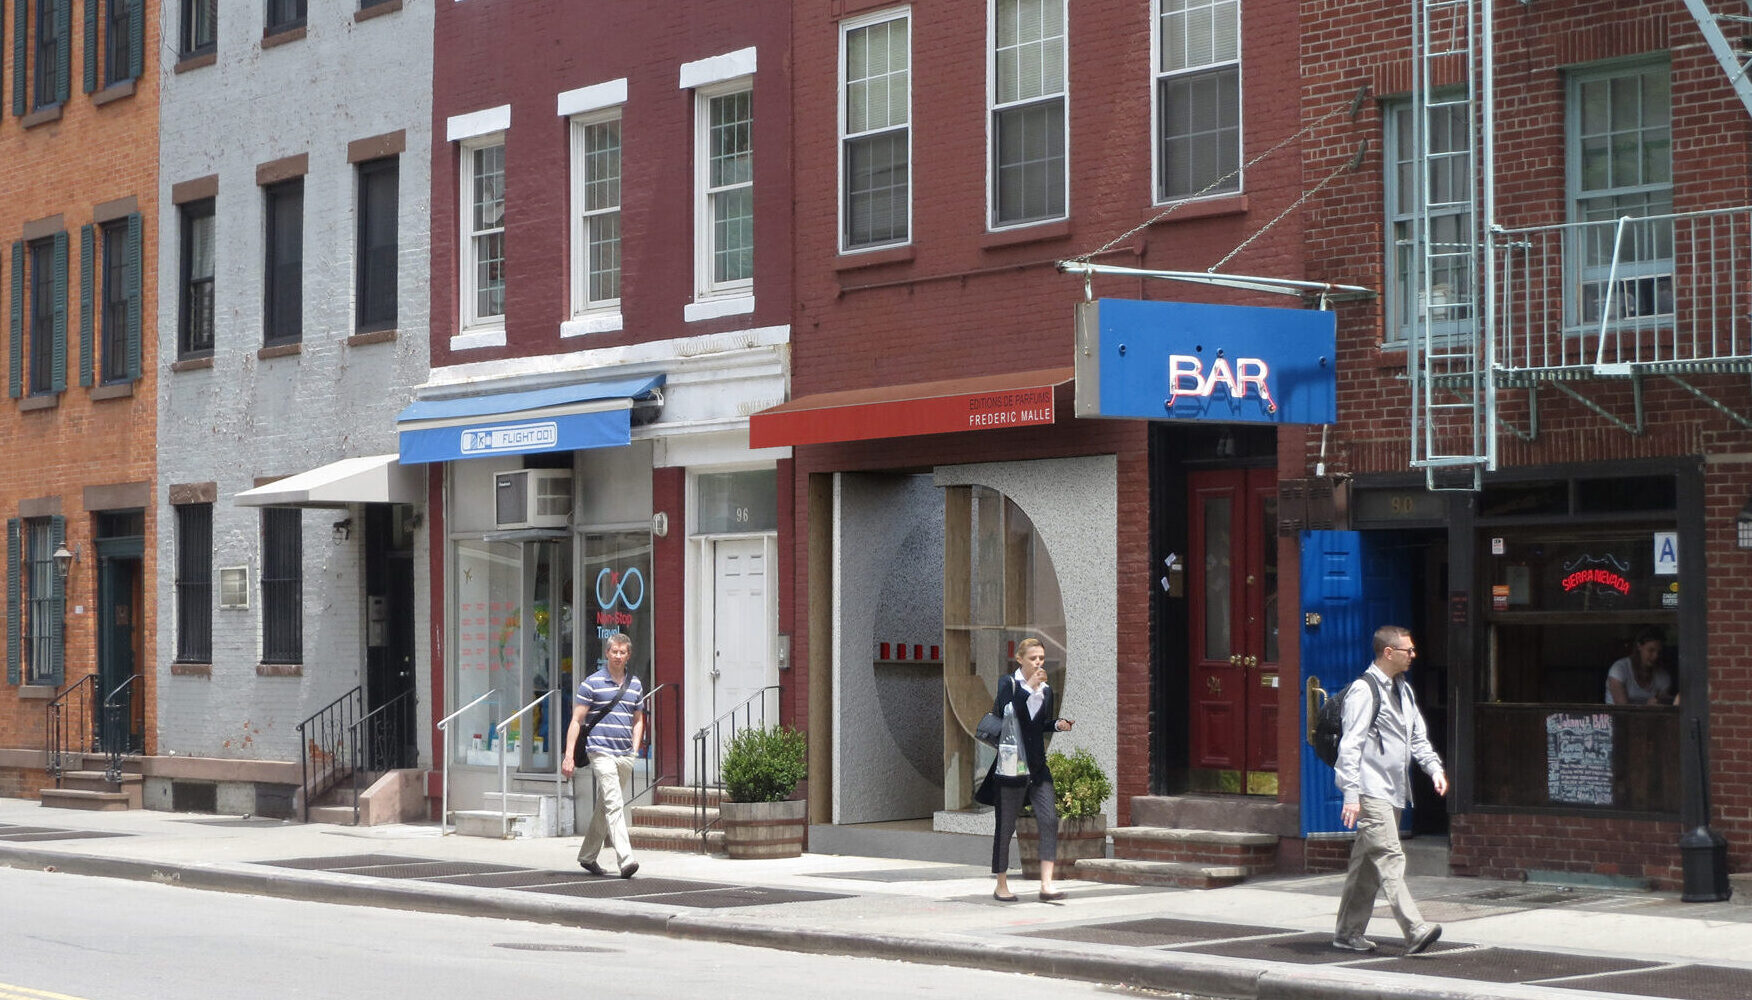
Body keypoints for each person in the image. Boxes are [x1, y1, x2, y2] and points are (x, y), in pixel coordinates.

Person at [1333, 625, 1448, 955]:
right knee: (1389, 856)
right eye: (1407, 650)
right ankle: (1414, 929)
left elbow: (1417, 738)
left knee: (1366, 866)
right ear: (1388, 652)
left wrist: (1434, 769)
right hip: (1371, 791)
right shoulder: (1363, 691)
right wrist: (1351, 794)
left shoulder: (1404, 690)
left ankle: (1346, 932)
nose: (1413, 655)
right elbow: (1350, 747)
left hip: (1394, 789)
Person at [974, 637, 1074, 902]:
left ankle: (1046, 884)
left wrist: (1057, 725)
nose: (1038, 662)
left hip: (1038, 766)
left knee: (1049, 820)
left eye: (1041, 658)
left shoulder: (1047, 690)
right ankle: (1001, 884)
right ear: (1020, 659)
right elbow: (1010, 714)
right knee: (1005, 827)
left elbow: (1038, 725)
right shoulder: (1008, 683)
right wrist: (1028, 687)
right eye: (1033, 658)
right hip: (1011, 766)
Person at [561, 632, 644, 878]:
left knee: (604, 806)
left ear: (628, 655)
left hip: (624, 754)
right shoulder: (592, 683)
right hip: (600, 751)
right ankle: (626, 859)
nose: (618, 656)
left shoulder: (635, 684)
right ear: (607, 653)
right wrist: (569, 756)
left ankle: (587, 856)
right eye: (614, 651)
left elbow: (638, 720)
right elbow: (576, 721)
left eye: (622, 652)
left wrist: (635, 748)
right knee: (615, 803)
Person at [1605, 629, 1672, 705]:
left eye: (1659, 652)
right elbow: (1623, 710)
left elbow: (1662, 707)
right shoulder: (1619, 670)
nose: (1656, 656)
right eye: (1651, 650)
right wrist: (1647, 707)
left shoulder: (1663, 677)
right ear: (1639, 646)